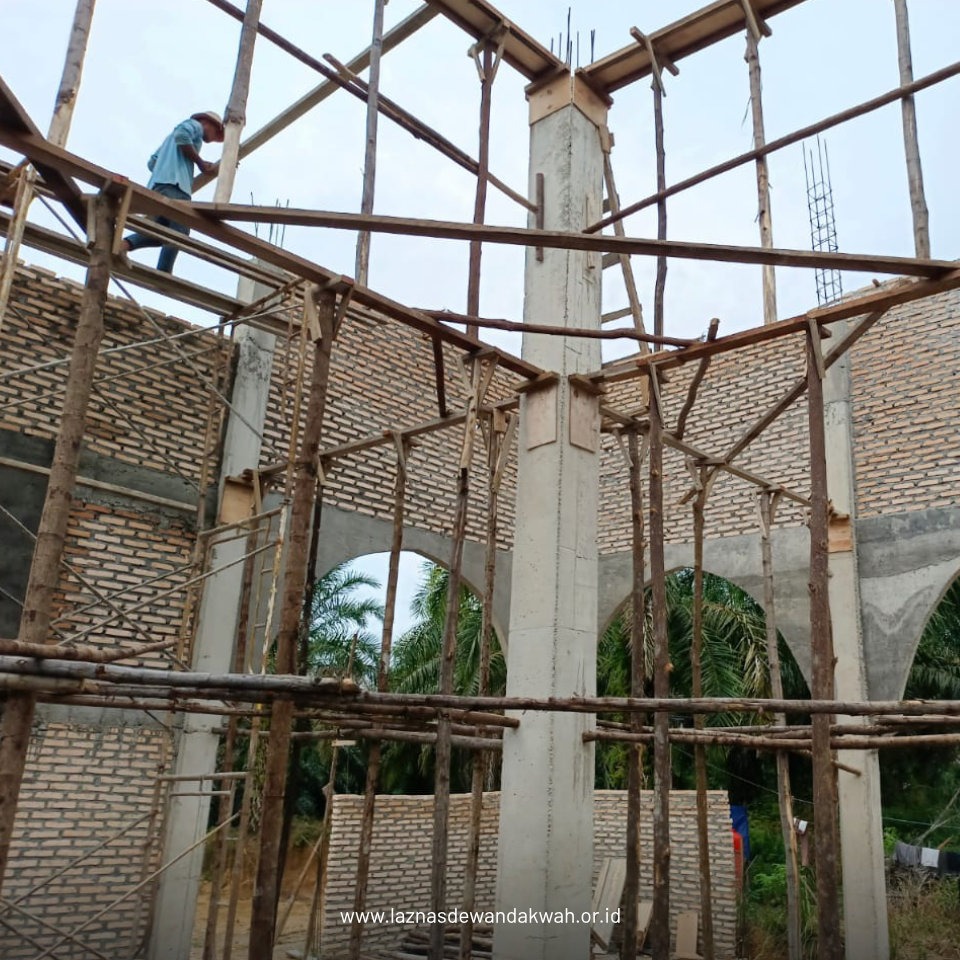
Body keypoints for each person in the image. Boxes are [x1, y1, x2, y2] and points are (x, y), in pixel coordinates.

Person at [119, 111, 224, 273]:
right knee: (180, 230)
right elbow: (182, 136)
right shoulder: (195, 126)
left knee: (157, 233)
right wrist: (200, 164)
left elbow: (152, 162)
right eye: (216, 132)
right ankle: (164, 271)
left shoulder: (169, 139)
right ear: (206, 123)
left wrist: (168, 167)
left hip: (159, 185)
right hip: (175, 186)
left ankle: (122, 246)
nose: (214, 138)